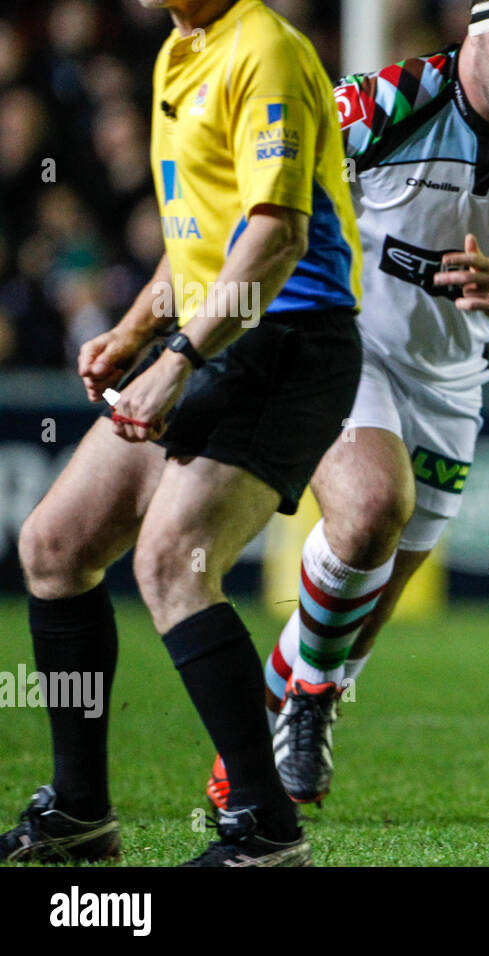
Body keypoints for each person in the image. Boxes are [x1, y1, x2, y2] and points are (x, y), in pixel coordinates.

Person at [205, 0, 489, 810]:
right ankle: (310, 702)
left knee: (364, 610)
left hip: (451, 381)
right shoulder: (380, 104)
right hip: (341, 342)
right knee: (369, 511)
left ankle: (266, 734)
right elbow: (259, 198)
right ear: (473, 31)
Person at [0, 0, 362, 866]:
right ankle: (81, 814)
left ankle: (265, 831)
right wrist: (133, 332)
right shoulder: (177, 51)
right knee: (55, 544)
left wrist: (180, 358)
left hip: (288, 341)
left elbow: (275, 237)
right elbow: (198, 235)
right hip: (212, 339)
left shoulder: (263, 48)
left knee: (171, 561)